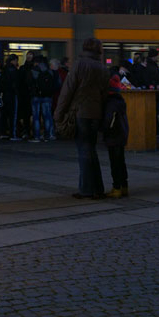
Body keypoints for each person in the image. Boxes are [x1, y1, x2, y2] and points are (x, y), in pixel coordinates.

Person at [55, 38, 109, 199]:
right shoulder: (102, 67)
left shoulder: (79, 65)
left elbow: (68, 90)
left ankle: (86, 189)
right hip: (96, 113)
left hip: (81, 113)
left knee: (84, 150)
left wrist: (58, 113)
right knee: (91, 149)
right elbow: (104, 94)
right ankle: (98, 188)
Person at [103, 74, 129, 198]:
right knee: (121, 161)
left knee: (115, 162)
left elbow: (108, 121)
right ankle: (124, 186)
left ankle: (116, 187)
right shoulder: (120, 101)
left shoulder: (110, 103)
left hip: (113, 135)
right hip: (121, 133)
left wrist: (103, 129)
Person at [30, 55, 56, 142]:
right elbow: (55, 83)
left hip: (36, 96)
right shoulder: (49, 70)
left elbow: (29, 83)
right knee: (47, 116)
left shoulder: (34, 70)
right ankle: (47, 136)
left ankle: (37, 136)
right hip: (47, 96)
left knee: (36, 117)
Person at [1, 55, 20, 139]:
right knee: (13, 115)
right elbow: (16, 82)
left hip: (5, 94)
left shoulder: (4, 69)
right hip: (12, 94)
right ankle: (13, 133)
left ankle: (3, 132)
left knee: (4, 114)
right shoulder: (14, 70)